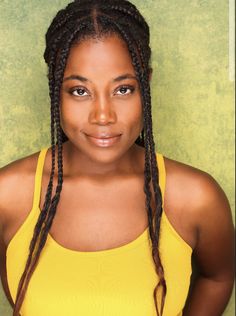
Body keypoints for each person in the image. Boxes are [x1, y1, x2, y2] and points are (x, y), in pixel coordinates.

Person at [0, 0, 234, 315]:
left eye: (123, 89)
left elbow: (218, 276)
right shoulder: (8, 195)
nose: (103, 115)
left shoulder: (195, 198)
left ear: (145, 85)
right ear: (55, 89)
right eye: (80, 91)